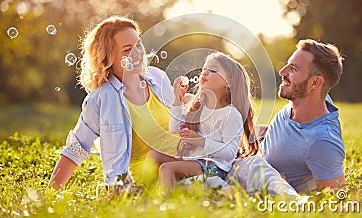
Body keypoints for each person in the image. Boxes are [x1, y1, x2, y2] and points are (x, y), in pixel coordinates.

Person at [48, 16, 176, 192]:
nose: (137, 53)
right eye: (127, 50)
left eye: (138, 45)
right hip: (149, 184)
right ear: (108, 58)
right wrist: (50, 195)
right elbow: (76, 148)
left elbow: (181, 122)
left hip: (183, 165)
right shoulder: (103, 98)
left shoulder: (157, 78)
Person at [231, 39, 345, 194]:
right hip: (246, 151)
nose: (282, 72)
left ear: (315, 83)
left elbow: (336, 197)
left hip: (249, 174)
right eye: (287, 64)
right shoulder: (309, 101)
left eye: (293, 69)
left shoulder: (323, 141)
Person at [144, 52, 259, 192]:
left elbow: (229, 152)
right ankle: (145, 193)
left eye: (213, 70)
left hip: (214, 167)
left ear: (228, 83)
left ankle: (166, 206)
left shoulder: (230, 114)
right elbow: (174, 128)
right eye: (205, 69)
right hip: (193, 161)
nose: (205, 73)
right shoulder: (199, 107)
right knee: (153, 156)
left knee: (167, 168)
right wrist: (177, 99)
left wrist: (200, 141)